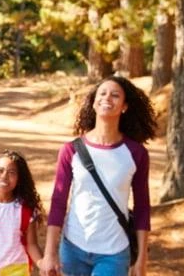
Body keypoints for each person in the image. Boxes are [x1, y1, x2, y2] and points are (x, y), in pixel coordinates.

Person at [39, 76, 156, 276]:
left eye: (115, 95)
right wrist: (50, 253)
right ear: (94, 103)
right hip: (72, 248)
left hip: (114, 252)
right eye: (102, 93)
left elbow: (142, 207)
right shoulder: (71, 150)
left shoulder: (136, 153)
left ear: (124, 106)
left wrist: (141, 260)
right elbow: (58, 202)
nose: (107, 98)